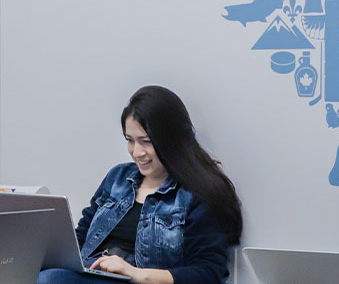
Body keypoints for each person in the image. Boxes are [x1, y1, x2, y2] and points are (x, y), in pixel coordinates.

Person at [38, 85, 243, 284]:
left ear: (172, 140)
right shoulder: (118, 177)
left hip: (140, 281)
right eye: (130, 140)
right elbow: (80, 239)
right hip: (90, 275)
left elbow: (209, 273)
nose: (137, 152)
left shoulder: (197, 194)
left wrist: (136, 274)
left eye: (146, 141)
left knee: (50, 280)